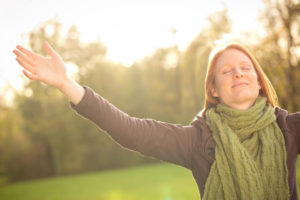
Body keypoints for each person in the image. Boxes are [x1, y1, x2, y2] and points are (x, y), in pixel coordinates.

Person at [13, 41, 300, 200]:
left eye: (245, 67)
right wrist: (66, 83)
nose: (238, 73)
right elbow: (131, 130)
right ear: (213, 89)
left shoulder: (287, 129)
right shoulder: (197, 141)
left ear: (259, 82)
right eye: (226, 71)